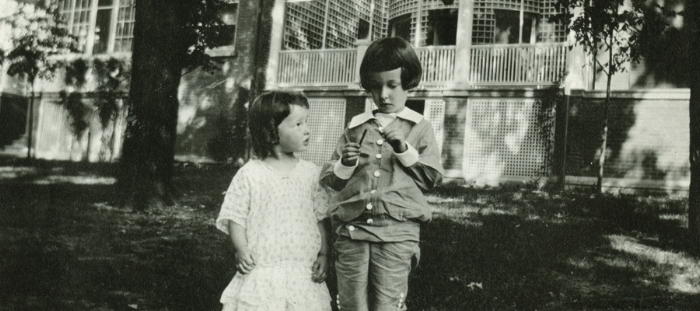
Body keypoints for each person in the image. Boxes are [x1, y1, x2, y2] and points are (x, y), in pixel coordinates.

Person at [320, 37, 444, 311]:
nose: (384, 95)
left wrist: (402, 147)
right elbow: (331, 180)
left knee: (388, 303)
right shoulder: (356, 127)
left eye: (392, 85)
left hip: (397, 231)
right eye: (375, 87)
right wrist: (345, 163)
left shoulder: (419, 127)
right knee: (351, 303)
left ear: (408, 81)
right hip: (353, 230)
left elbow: (431, 179)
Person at [216, 91, 331, 311]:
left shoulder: (311, 174)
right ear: (271, 131)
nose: (307, 130)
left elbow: (320, 217)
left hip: (302, 268)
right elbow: (235, 215)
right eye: (298, 124)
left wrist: (324, 254)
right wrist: (241, 249)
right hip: (263, 267)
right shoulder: (250, 174)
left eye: (306, 122)